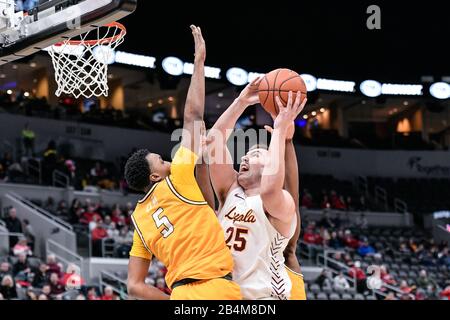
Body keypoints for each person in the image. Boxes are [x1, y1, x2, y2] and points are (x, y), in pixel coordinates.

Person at [125, 26, 240, 300]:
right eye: (161, 161)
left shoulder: (139, 220)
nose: (167, 161)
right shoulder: (177, 177)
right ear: (154, 177)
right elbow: (193, 115)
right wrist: (198, 62)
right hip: (215, 287)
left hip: (181, 294)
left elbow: (134, 285)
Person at [207, 71, 306, 300]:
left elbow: (270, 188)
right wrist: (240, 101)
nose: (244, 158)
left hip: (265, 298)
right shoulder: (230, 191)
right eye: (245, 155)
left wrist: (280, 131)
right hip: (226, 297)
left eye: (255, 154)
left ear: (271, 161)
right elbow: (214, 141)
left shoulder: (281, 203)